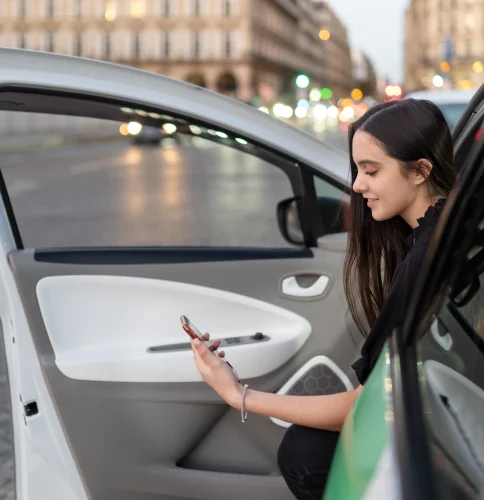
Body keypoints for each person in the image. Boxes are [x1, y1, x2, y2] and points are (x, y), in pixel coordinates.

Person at [189, 99, 456, 499]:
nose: (357, 186)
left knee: (306, 452)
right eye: (357, 171)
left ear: (420, 171)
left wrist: (238, 395)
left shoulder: (425, 259)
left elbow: (366, 408)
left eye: (371, 171)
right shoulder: (443, 234)